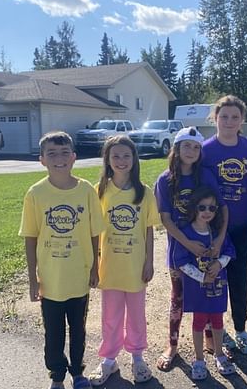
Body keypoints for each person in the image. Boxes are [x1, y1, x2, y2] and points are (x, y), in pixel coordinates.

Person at [18, 131, 105, 389]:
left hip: (78, 276)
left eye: (65, 152)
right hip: (51, 279)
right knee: (53, 333)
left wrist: (94, 268)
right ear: (42, 159)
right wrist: (32, 278)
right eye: (52, 154)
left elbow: (94, 232)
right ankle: (57, 375)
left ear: (74, 157)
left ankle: (78, 372)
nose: (59, 158)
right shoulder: (35, 194)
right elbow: (30, 237)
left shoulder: (86, 191)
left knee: (78, 330)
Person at [153, 126, 229, 371]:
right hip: (181, 252)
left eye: (196, 147)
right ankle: (172, 345)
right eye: (186, 145)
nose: (191, 151)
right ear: (176, 148)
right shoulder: (165, 180)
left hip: (207, 247)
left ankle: (210, 341)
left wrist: (218, 241)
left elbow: (223, 208)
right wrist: (188, 244)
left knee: (209, 292)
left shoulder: (205, 176)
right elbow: (166, 219)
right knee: (178, 298)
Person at [88, 135, 160, 385]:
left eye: (126, 156)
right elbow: (94, 231)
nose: (121, 161)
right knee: (111, 315)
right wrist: (93, 266)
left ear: (134, 159)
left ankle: (138, 358)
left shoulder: (144, 192)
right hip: (109, 266)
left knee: (137, 315)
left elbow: (149, 230)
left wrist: (149, 261)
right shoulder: (99, 191)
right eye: (115, 156)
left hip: (135, 266)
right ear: (107, 159)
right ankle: (109, 359)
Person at [201, 95, 247, 355]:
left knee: (239, 278)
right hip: (212, 229)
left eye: (235, 117)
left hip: (240, 227)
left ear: (242, 121)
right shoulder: (205, 150)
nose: (229, 121)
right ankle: (216, 330)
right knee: (213, 279)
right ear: (215, 118)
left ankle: (240, 329)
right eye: (224, 116)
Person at [173, 186, 237, 380]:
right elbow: (180, 262)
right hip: (197, 289)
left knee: (218, 322)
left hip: (217, 287)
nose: (207, 212)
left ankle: (218, 354)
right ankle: (199, 359)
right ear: (194, 208)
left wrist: (218, 264)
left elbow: (230, 252)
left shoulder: (217, 233)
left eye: (212, 208)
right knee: (199, 322)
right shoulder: (186, 233)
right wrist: (201, 277)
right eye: (202, 208)